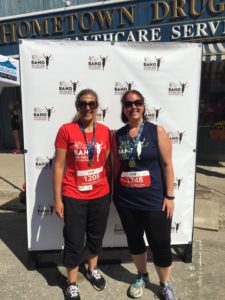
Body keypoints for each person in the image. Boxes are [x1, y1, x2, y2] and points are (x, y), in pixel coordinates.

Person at [112, 90, 176, 300]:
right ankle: (142, 275)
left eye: (137, 103)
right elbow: (116, 166)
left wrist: (170, 197)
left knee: (160, 244)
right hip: (126, 200)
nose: (133, 107)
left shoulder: (156, 131)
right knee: (135, 241)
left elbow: (167, 165)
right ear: (124, 109)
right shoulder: (119, 134)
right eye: (129, 104)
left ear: (143, 106)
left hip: (154, 200)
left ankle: (165, 284)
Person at [53, 89, 111, 300]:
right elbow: (59, 166)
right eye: (83, 104)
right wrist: (58, 198)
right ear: (77, 106)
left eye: (92, 104)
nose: (87, 108)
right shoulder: (66, 130)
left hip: (100, 193)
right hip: (73, 194)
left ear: (97, 107)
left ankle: (92, 269)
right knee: (74, 240)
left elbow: (104, 160)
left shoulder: (104, 131)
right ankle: (71, 283)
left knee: (96, 236)